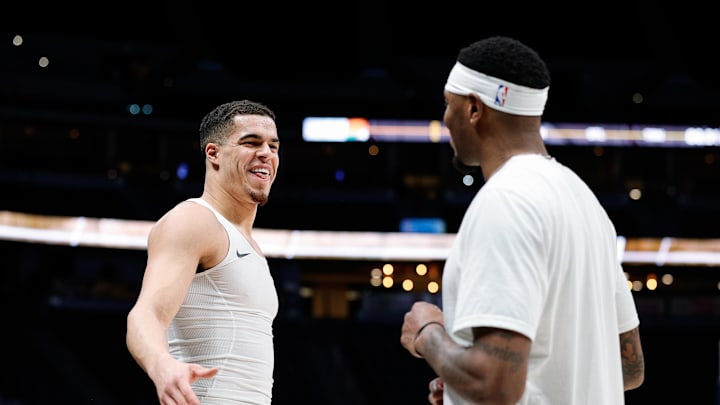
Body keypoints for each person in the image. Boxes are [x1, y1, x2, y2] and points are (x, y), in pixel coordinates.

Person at [400, 36, 645, 404]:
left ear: (474, 109)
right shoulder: (586, 204)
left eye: (448, 105)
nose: (445, 119)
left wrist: (429, 334)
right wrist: (460, 382)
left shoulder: (505, 201)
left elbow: (496, 386)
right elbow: (630, 368)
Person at [126, 100, 281, 405]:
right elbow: (147, 313)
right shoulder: (194, 220)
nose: (266, 153)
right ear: (214, 154)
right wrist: (161, 364)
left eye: (273, 147)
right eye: (251, 143)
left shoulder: (247, 242)